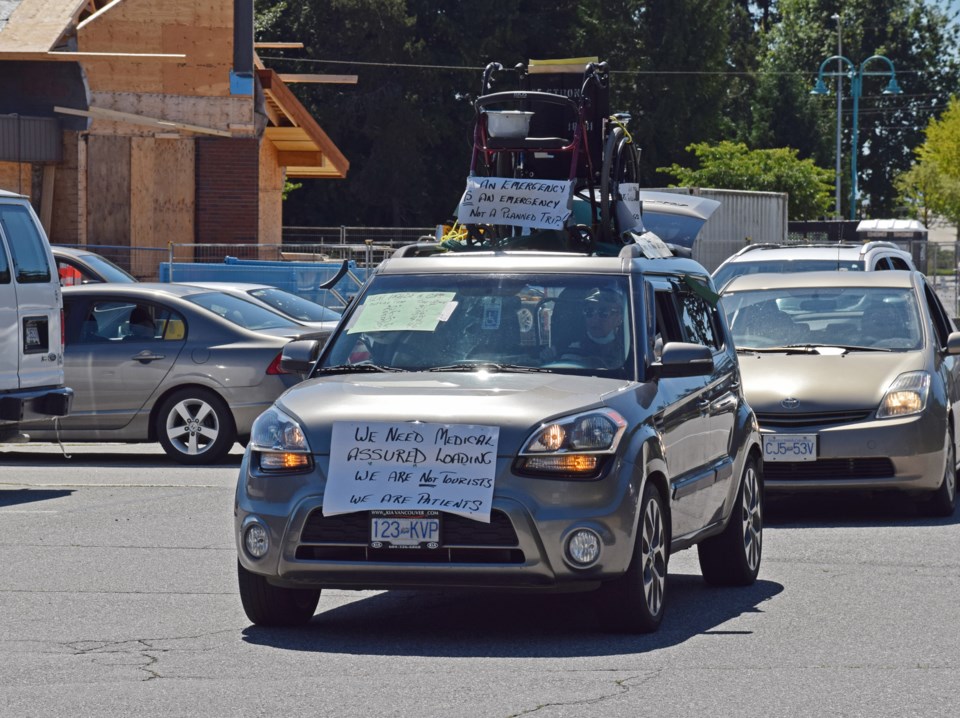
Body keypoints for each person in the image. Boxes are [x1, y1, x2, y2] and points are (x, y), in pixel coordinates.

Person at [560, 287, 626, 367]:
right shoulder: (572, 354)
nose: (595, 319)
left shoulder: (629, 353)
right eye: (589, 311)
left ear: (619, 318)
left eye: (603, 312)